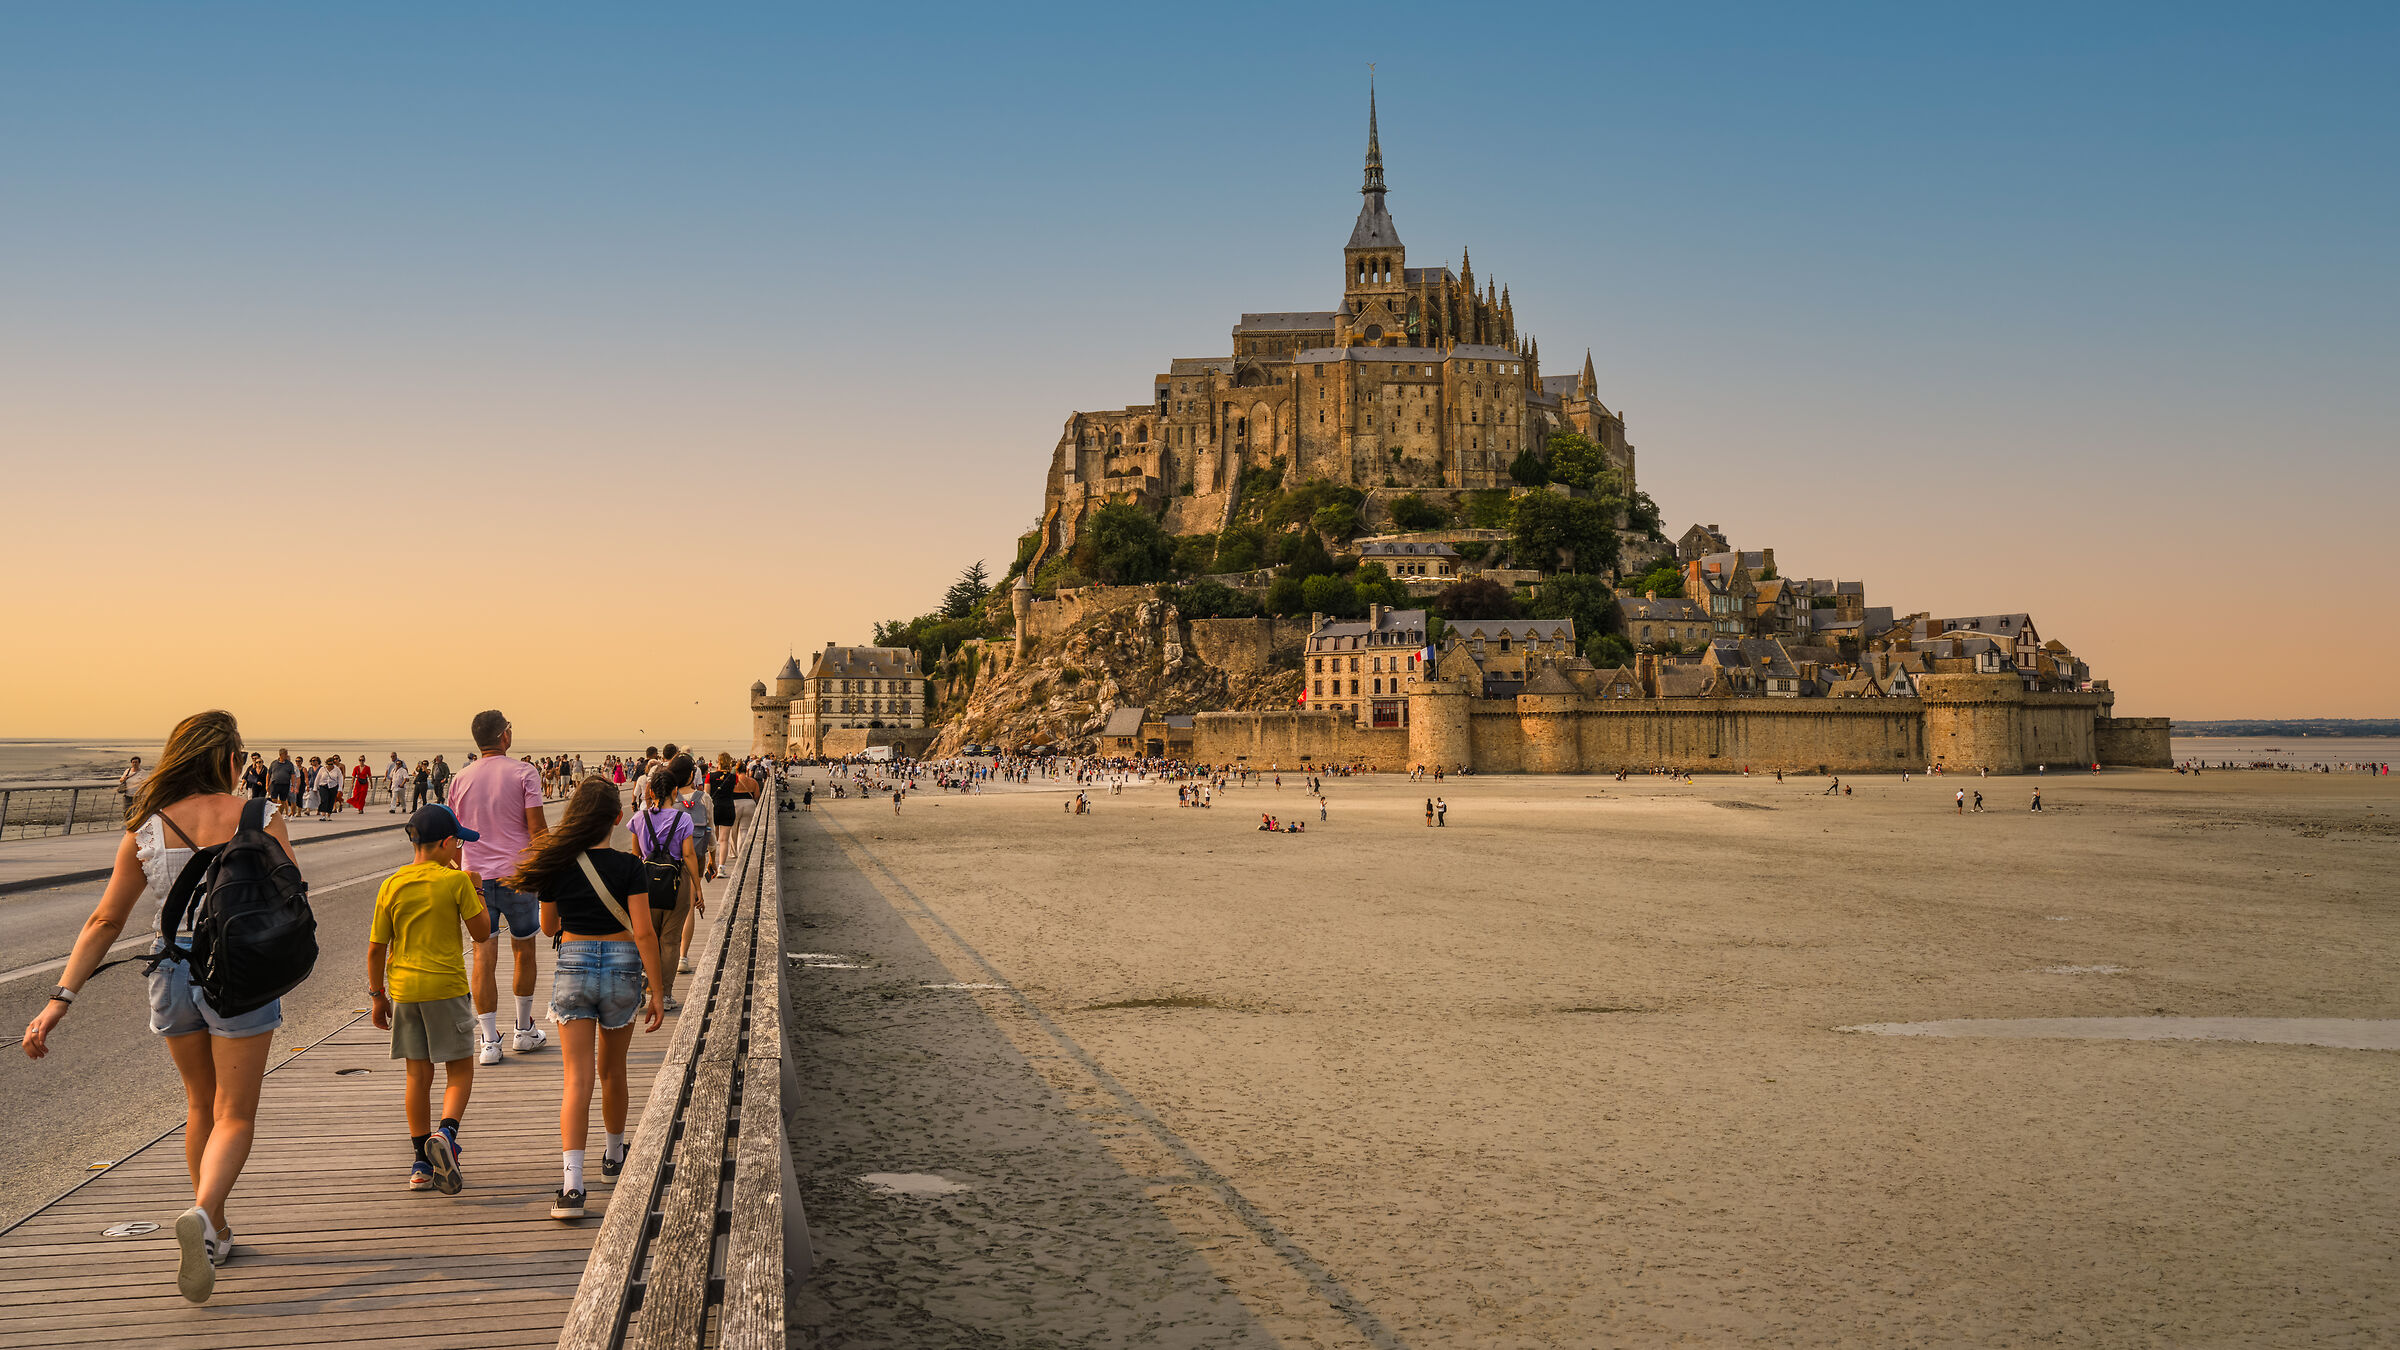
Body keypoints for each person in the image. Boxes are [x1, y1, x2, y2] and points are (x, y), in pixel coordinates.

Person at [22, 711, 302, 1304]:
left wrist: (58, 1001)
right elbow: (291, 895)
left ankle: (216, 1230)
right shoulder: (262, 816)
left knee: (200, 1104)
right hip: (241, 975)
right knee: (236, 1114)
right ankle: (203, 1217)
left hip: (173, 969)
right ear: (230, 759)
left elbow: (105, 920)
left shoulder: (148, 828)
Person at [510, 777, 667, 1221]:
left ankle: (571, 1188)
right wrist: (656, 991)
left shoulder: (557, 864)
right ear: (617, 819)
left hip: (574, 964)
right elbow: (643, 931)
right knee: (612, 1071)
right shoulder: (630, 866)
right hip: (622, 967)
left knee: (576, 1079)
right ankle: (614, 1157)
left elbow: (546, 927)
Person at [368, 805, 492, 1195]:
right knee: (460, 1070)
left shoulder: (391, 884)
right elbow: (483, 932)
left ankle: (420, 1163)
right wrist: (476, 887)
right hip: (447, 989)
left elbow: (376, 948)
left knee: (417, 1076)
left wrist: (377, 997)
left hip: (404, 991)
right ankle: (447, 1135)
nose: (459, 849)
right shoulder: (454, 882)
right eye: (457, 842)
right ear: (443, 843)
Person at [445, 710, 550, 1064]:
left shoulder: (459, 779)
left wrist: (459, 874)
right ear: (505, 736)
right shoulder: (524, 772)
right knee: (524, 950)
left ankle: (489, 1041)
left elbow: (453, 836)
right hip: (518, 873)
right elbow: (537, 829)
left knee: (481, 955)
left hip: (475, 876)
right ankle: (523, 1031)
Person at [631, 770, 703, 1008]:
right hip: (676, 883)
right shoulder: (683, 819)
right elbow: (688, 855)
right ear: (675, 792)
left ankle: (641, 984)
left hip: (644, 884)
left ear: (650, 792)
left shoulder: (639, 819)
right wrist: (698, 888)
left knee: (645, 938)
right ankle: (665, 994)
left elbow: (636, 856)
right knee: (670, 941)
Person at [708, 753, 740, 852]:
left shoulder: (710, 776)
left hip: (714, 807)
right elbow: (733, 790)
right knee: (724, 840)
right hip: (728, 807)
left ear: (718, 761)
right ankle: (721, 865)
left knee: (713, 836)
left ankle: (712, 860)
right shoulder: (734, 777)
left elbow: (706, 794)